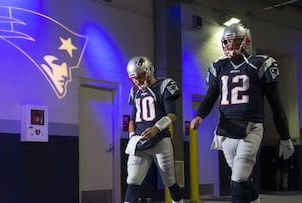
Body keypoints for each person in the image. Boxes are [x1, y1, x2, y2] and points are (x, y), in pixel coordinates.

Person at [190, 23, 295, 203]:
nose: (231, 46)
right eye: (227, 42)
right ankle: (254, 199)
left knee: (237, 179)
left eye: (236, 41)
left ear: (246, 41)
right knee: (242, 178)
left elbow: (276, 105)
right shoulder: (219, 66)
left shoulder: (259, 64)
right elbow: (210, 96)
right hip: (226, 129)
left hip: (251, 127)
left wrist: (285, 136)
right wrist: (199, 115)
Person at [123, 56, 184, 203]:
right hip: (140, 141)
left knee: (169, 181)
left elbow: (172, 115)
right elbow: (132, 119)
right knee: (132, 180)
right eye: (133, 78)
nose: (137, 81)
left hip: (160, 141)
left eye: (140, 76)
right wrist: (132, 136)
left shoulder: (163, 85)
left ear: (148, 71)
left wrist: (156, 128)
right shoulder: (134, 92)